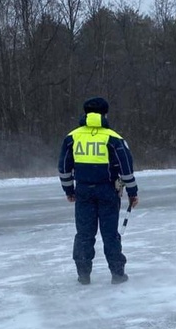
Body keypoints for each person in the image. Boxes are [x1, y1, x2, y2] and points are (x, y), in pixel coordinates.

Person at [58, 97, 139, 285]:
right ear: (105, 114)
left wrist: (69, 189)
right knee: (110, 234)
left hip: (84, 191)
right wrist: (132, 192)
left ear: (85, 113)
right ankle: (117, 274)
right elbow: (126, 168)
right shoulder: (114, 138)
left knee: (84, 234)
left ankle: (83, 274)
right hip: (108, 191)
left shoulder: (72, 137)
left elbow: (63, 167)